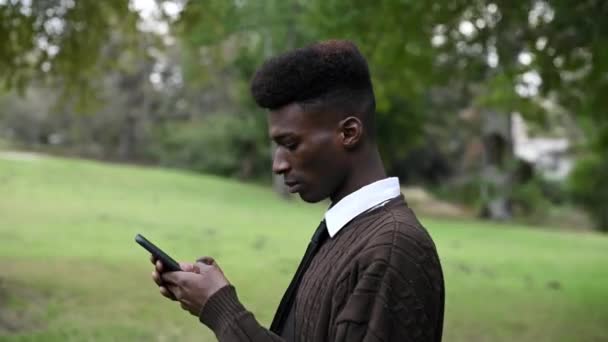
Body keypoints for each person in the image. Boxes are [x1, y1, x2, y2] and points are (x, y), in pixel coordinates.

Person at [151, 39, 445, 342]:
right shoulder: (350, 232)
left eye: (290, 144)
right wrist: (212, 299)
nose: (278, 165)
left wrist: (223, 310)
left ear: (349, 133)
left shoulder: (394, 249)